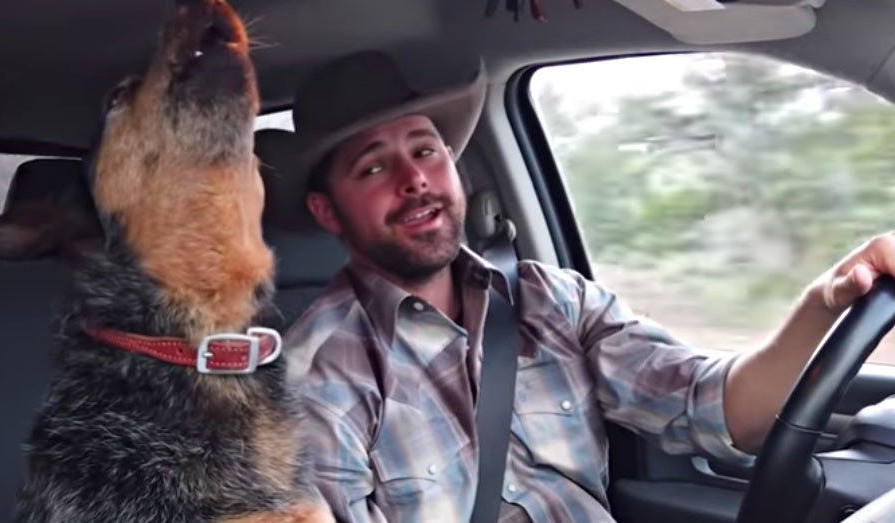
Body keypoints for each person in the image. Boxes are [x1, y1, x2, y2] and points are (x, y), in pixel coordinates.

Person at [281, 50, 895, 522]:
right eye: (374, 166)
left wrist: (827, 299)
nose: (414, 179)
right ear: (327, 212)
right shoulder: (318, 372)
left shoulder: (554, 301)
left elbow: (717, 408)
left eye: (426, 150)